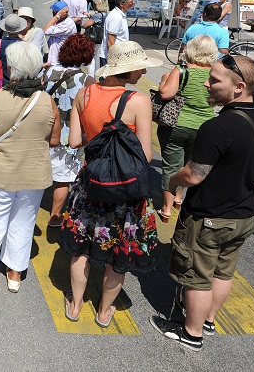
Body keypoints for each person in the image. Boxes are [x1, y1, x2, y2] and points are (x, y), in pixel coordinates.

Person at [150, 55, 254, 351]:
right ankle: (208, 320)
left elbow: (194, 176)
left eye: (215, 80)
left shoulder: (217, 127)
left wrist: (172, 181)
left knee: (197, 276)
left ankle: (191, 333)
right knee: (223, 271)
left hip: (209, 216)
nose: (207, 83)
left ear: (239, 87)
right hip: (245, 216)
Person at [60, 40, 161, 328]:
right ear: (128, 71)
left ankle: (75, 305)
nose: (143, 71)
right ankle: (104, 312)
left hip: (90, 184)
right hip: (124, 190)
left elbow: (75, 141)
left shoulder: (85, 94)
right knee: (119, 251)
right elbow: (147, 155)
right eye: (140, 66)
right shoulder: (138, 101)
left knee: (81, 248)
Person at [0, 42, 61, 318]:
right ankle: (13, 275)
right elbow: (55, 140)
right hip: (33, 175)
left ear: (12, 69)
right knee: (22, 224)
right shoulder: (47, 101)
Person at [156, 35, 218, 222]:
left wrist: (163, 80)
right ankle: (179, 198)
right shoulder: (215, 73)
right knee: (187, 163)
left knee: (171, 165)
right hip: (204, 127)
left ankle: (166, 208)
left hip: (177, 124)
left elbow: (166, 94)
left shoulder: (182, 70)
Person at [45, 34, 96, 227]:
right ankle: (55, 216)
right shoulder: (87, 80)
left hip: (47, 131)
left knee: (42, 171)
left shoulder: (48, 73)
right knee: (63, 179)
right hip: (69, 136)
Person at [99, 0, 134, 68]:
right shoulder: (116, 17)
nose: (133, 3)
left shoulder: (122, 15)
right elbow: (110, 41)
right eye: (130, 2)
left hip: (119, 56)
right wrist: (115, 60)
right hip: (112, 58)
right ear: (122, 4)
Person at [43, 1, 77, 66]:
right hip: (53, 58)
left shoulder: (67, 25)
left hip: (57, 61)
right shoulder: (63, 22)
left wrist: (57, 16)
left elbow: (45, 31)